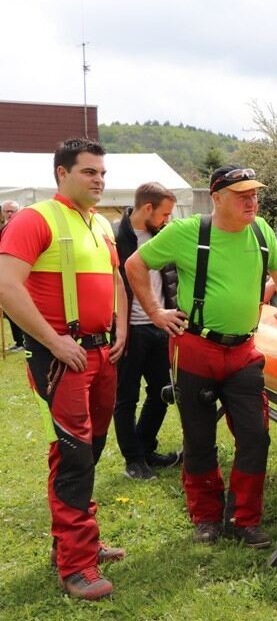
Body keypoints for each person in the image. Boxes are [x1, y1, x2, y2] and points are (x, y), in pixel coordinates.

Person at [126, 165, 277, 550]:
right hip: (195, 348)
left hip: (245, 351)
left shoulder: (262, 231)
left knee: (255, 436)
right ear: (217, 198)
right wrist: (155, 313)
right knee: (198, 438)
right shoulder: (186, 232)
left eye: (255, 194)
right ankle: (205, 516)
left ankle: (243, 519)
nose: (252, 201)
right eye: (242, 194)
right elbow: (135, 264)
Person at [0, 138, 128, 600]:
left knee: (88, 451)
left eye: (102, 173)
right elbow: (6, 286)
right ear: (61, 174)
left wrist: (122, 331)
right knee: (74, 457)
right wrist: (54, 340)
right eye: (89, 172)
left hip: (101, 354)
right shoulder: (36, 219)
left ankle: (79, 544)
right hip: (62, 358)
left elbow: (115, 281)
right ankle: (76, 567)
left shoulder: (103, 225)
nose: (99, 180)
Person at [114, 182, 182, 481]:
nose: (168, 219)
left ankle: (144, 447)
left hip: (160, 327)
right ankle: (133, 461)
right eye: (164, 213)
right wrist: (117, 328)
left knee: (162, 393)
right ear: (147, 208)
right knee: (126, 398)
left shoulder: (164, 236)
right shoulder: (116, 237)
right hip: (129, 330)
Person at [1, 199, 26, 351]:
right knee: (9, 311)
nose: (9, 214)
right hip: (6, 275)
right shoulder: (2, 230)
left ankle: (23, 341)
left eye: (12, 211)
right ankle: (19, 341)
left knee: (17, 310)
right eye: (6, 211)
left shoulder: (23, 228)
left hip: (22, 277)